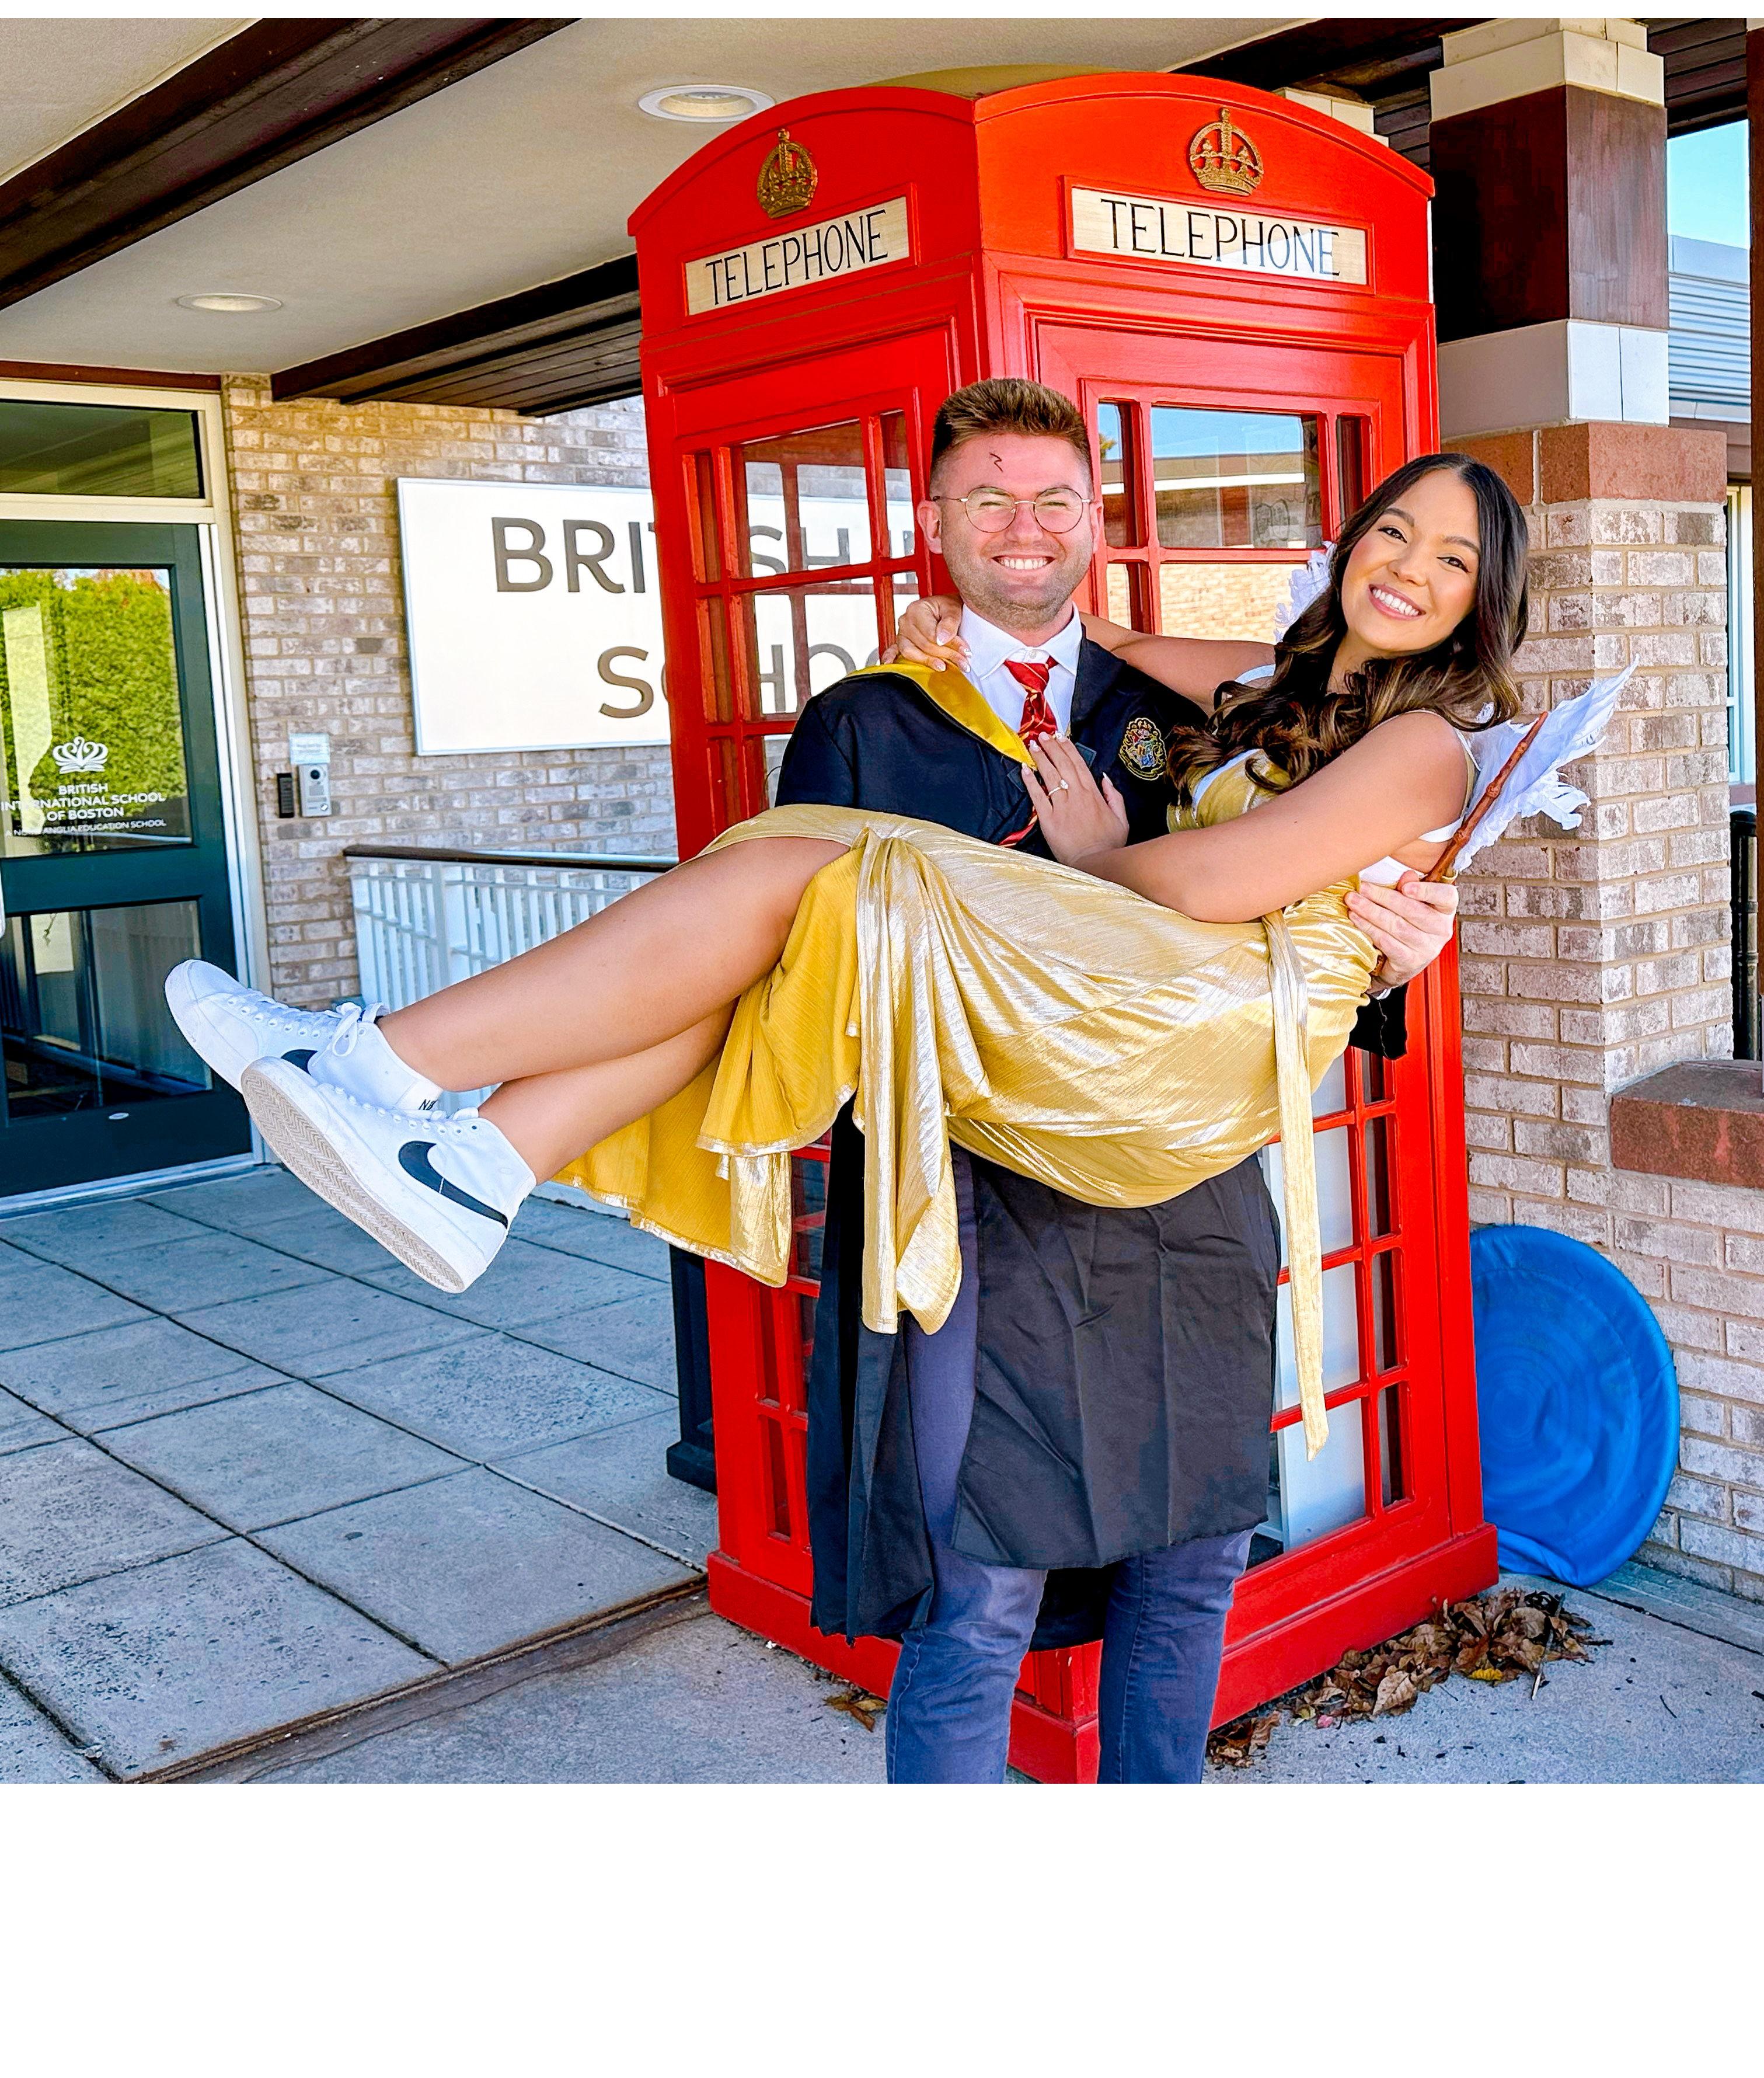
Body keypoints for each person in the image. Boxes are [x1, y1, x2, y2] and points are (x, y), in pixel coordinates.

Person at [165, 381, 1617, 1782]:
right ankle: (475, 1157)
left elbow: (1249, 885)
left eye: (1453, 558)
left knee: (818, 879)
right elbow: (1111, 634)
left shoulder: (1398, 735)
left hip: (1166, 1101)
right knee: (789, 912)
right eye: (990, 503)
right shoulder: (1202, 688)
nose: (1025, 528)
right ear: (935, 519)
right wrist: (957, 631)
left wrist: (1351, 946)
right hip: (990, 1154)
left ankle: (390, 1073)